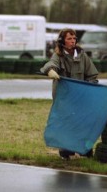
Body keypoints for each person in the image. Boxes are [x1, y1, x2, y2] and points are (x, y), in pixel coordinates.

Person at [40, 28, 98, 160]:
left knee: (82, 123)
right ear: (62, 41)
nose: (72, 41)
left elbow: (92, 75)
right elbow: (51, 64)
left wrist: (90, 87)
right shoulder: (58, 56)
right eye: (69, 39)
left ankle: (84, 150)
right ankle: (66, 151)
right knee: (66, 123)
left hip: (81, 97)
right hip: (64, 97)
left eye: (74, 39)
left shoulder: (83, 56)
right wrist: (50, 71)